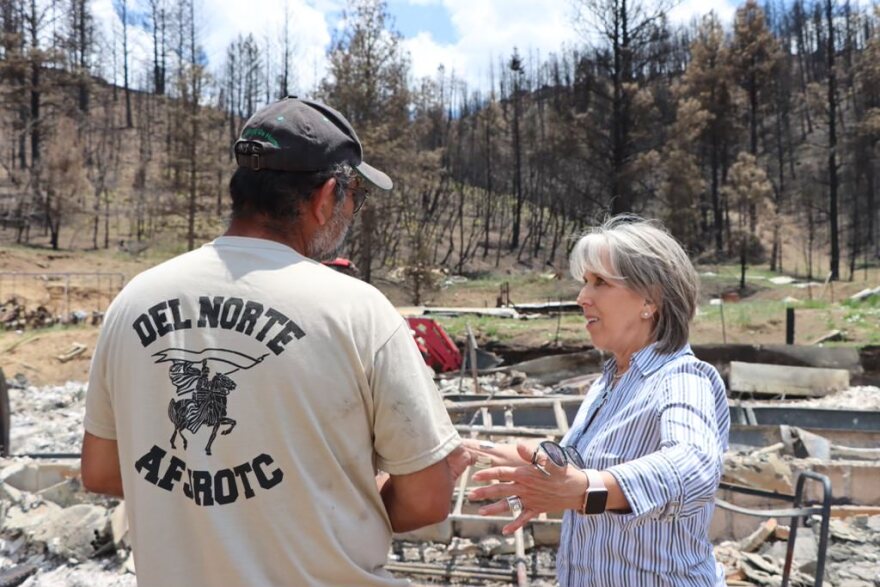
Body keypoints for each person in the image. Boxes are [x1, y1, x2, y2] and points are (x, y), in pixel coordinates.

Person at [81, 96, 472, 587]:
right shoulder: (358, 310)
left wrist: (213, 508)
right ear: (326, 195)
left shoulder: (133, 301)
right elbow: (427, 499)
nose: (352, 211)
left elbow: (99, 471)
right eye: (355, 197)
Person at [466, 216, 730, 586]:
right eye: (585, 282)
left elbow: (695, 466)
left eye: (600, 283)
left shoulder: (682, 378)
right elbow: (589, 467)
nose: (582, 298)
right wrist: (535, 468)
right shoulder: (610, 382)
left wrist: (583, 490)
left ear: (650, 299)